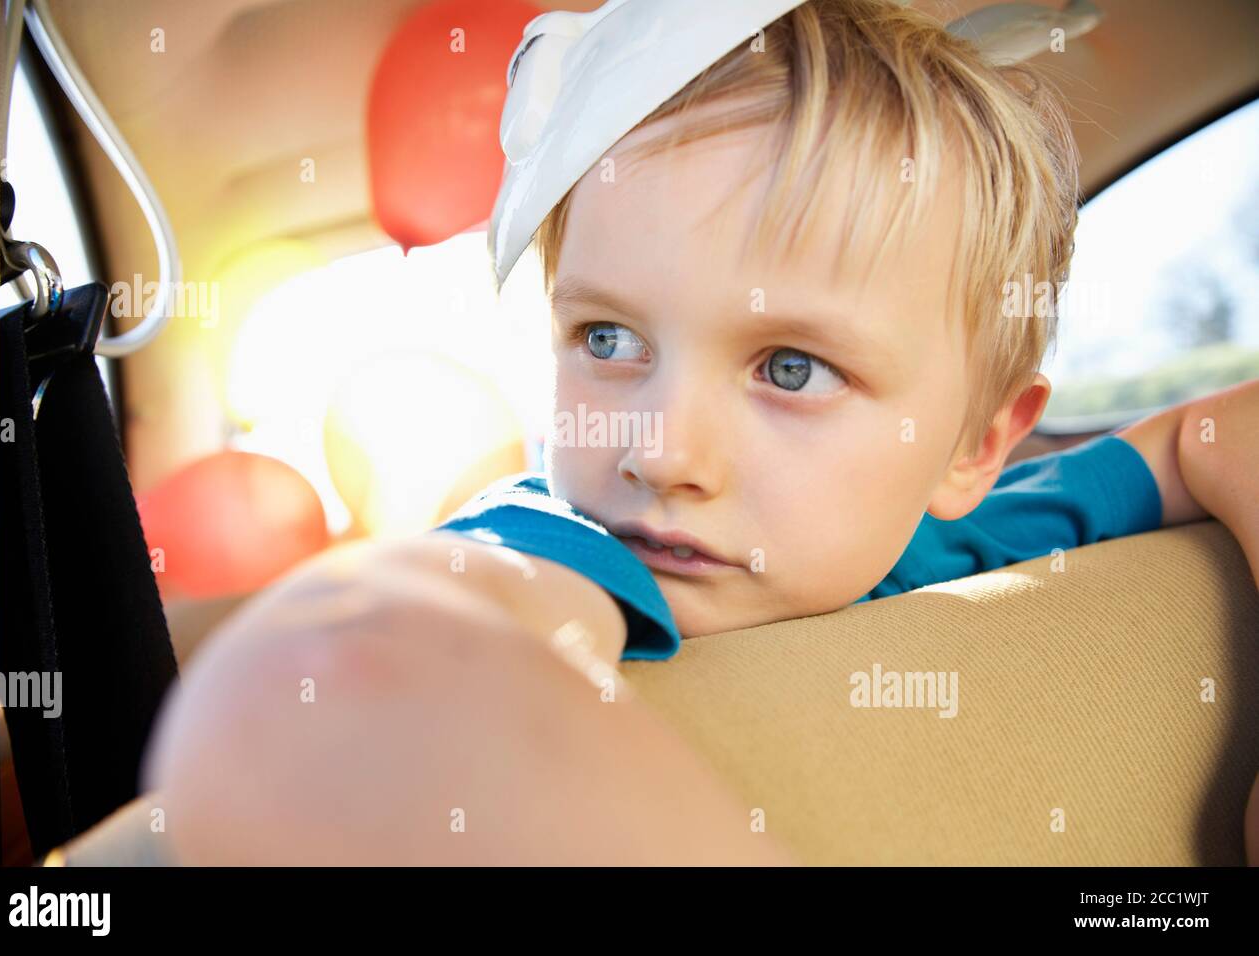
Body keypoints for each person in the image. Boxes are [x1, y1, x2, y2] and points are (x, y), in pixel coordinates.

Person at [142, 0, 1259, 864]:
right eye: (609, 339)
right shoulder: (568, 544)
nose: (661, 452)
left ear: (975, 444)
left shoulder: (967, 547)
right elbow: (351, 667)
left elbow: (1218, 431)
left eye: (791, 368)